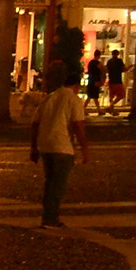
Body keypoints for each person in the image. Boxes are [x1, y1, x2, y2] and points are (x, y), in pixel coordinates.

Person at [30, 59, 89, 228]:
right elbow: (78, 125)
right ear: (76, 85)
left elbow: (35, 124)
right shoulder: (74, 100)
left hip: (45, 145)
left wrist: (33, 148)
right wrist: (85, 150)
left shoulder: (49, 98)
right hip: (62, 146)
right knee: (58, 185)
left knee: (50, 182)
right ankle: (50, 218)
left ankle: (48, 215)